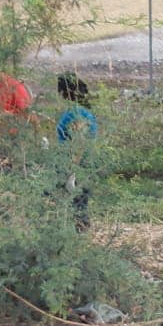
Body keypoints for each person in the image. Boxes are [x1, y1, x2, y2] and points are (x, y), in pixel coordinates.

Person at [55, 72, 97, 231]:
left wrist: (72, 170)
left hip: (76, 163)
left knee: (77, 201)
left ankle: (77, 236)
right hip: (80, 161)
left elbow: (79, 141)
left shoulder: (77, 114)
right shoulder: (81, 111)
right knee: (78, 203)